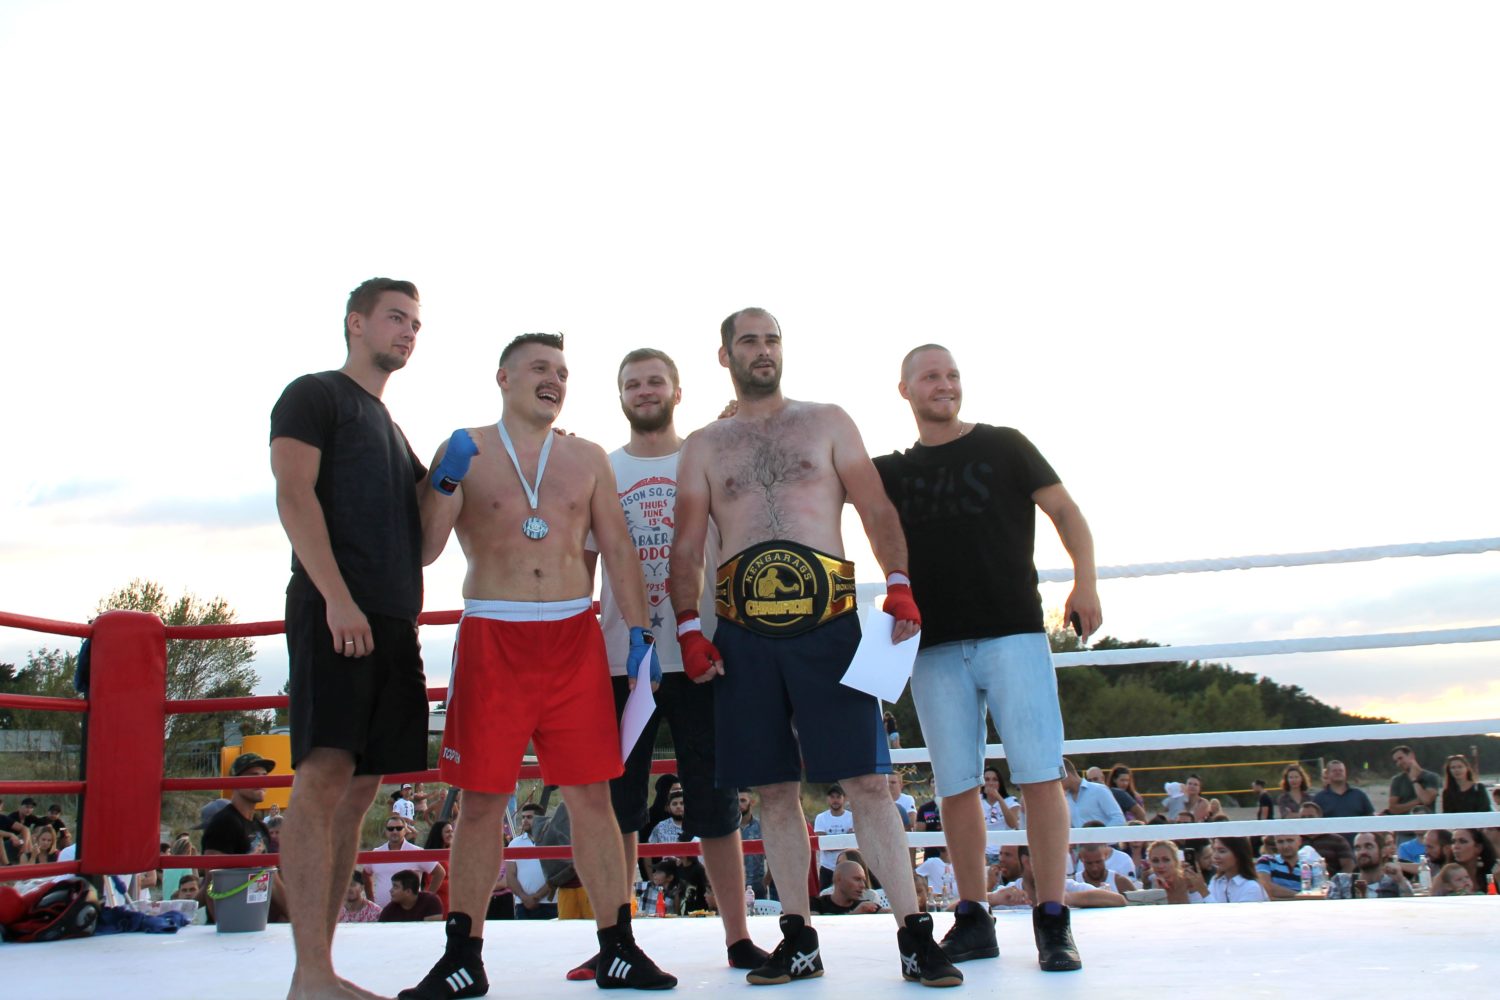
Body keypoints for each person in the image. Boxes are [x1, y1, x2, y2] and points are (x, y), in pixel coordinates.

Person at [669, 309, 958, 987]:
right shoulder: (705, 445)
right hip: (743, 632)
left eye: (772, 339)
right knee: (773, 790)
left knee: (867, 783)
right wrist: (687, 626)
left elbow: (875, 508)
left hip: (829, 623)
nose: (763, 351)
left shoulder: (827, 421)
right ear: (725, 355)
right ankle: (798, 937)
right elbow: (686, 543)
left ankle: (915, 934)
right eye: (749, 341)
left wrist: (899, 583)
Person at [407, 332, 675, 997]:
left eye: (561, 370)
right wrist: (445, 478)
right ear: (504, 377)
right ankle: (462, 955)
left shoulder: (585, 457)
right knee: (480, 802)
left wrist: (640, 633)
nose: (553, 378)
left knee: (593, 799)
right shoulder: (466, 447)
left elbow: (618, 549)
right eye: (538, 367)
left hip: (572, 638)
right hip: (493, 635)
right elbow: (426, 547)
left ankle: (618, 948)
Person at [872, 344, 1101, 973]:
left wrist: (1085, 581)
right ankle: (973, 918)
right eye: (930, 376)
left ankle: (1052, 918)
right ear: (905, 389)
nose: (944, 384)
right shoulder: (891, 470)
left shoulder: (1005, 444)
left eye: (952, 375)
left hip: (1013, 632)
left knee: (1040, 776)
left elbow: (1065, 510)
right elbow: (815, 471)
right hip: (934, 643)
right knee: (955, 784)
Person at [572, 347, 766, 978]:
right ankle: (617, 940)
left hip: (701, 652)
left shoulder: (707, 455)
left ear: (677, 392)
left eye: (655, 381)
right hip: (620, 659)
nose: (645, 391)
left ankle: (739, 937)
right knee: (619, 807)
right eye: (633, 383)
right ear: (620, 395)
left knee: (716, 804)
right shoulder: (601, 468)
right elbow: (581, 565)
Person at [270, 277, 431, 1000]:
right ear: (355, 322)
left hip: (395, 621)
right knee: (324, 776)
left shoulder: (394, 431)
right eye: (396, 318)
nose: (408, 332)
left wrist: (451, 477)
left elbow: (428, 544)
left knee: (362, 789)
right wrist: (337, 598)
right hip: (335, 608)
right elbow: (293, 493)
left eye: (416, 324)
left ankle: (322, 969)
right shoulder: (314, 394)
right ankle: (310, 974)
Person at [363, 815, 445, 910]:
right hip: (382, 911)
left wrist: (425, 899)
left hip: (410, 911)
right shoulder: (376, 852)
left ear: (405, 830)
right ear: (386, 831)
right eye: (390, 829)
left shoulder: (417, 852)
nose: (394, 831)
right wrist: (370, 900)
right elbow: (366, 874)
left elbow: (439, 872)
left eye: (399, 828)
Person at [505, 803, 557, 920]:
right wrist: (524, 898)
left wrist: (537, 897)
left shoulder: (553, 841)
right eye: (523, 817)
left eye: (529, 817)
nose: (524, 821)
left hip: (550, 904)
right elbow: (510, 876)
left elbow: (556, 875)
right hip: (522, 905)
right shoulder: (514, 844)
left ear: (540, 819)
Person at [1311, 759, 1374, 838]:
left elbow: (1371, 819)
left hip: (1357, 843)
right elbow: (1314, 824)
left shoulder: (1359, 795)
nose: (1338, 772)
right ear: (1327, 774)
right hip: (1330, 843)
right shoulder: (1319, 798)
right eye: (1334, 771)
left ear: (1345, 773)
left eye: (1341, 770)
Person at [812, 785, 857, 890]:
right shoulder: (821, 818)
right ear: (827, 799)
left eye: (838, 797)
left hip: (848, 866)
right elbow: (823, 843)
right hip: (827, 867)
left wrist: (833, 842)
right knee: (824, 896)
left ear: (844, 798)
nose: (835, 800)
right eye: (832, 797)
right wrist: (845, 839)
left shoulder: (852, 817)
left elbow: (853, 844)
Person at [1204, 837, 1268, 903]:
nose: (1215, 856)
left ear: (1238, 854)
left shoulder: (1251, 887)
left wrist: (1204, 892)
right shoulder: (1216, 880)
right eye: (1213, 850)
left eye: (1222, 851)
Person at [813, 860, 887, 914]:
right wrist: (855, 914)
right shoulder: (816, 904)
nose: (863, 885)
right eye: (857, 879)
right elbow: (817, 927)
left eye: (863, 880)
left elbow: (888, 914)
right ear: (838, 879)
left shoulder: (866, 906)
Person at [1351, 833, 1413, 898]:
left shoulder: (1395, 882)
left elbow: (1410, 902)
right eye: (1357, 848)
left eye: (1369, 846)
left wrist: (1400, 881)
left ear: (1383, 852)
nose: (1362, 852)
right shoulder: (1346, 883)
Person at [1386, 745, 1441, 815]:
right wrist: (1419, 800)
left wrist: (1414, 780)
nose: (1399, 763)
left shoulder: (1431, 777)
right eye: (1396, 761)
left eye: (1400, 758)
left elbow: (1427, 800)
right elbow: (1393, 809)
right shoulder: (1397, 780)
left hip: (1426, 820)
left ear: (1411, 755)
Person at [1254, 834, 1308, 900]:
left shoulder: (1308, 865)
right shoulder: (1266, 860)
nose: (1285, 846)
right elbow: (1265, 888)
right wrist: (1301, 897)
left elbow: (1316, 892)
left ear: (1299, 841)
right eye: (1280, 842)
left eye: (1290, 841)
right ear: (1275, 843)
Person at [380, 870, 445, 922]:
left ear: (408, 891)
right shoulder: (388, 911)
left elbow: (431, 930)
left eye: (395, 887)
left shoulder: (431, 902)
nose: (391, 890)